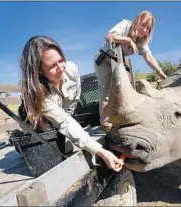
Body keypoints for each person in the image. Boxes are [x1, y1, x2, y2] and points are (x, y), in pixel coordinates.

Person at [20, 35, 124, 172]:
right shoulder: (39, 93)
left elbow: (74, 100)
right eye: (52, 66)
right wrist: (101, 151)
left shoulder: (72, 69)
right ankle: (20, 141)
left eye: (61, 60)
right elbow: (64, 123)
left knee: (71, 141)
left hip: (61, 117)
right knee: (54, 147)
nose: (60, 68)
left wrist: (67, 121)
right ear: (39, 71)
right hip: (37, 120)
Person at [94, 10, 168, 130]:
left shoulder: (142, 40)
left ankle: (122, 121)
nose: (144, 30)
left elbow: (148, 57)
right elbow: (109, 37)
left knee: (124, 90)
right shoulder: (125, 25)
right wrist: (128, 40)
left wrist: (161, 74)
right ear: (137, 20)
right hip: (104, 60)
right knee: (106, 92)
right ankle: (105, 125)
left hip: (118, 62)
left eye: (148, 28)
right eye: (143, 25)